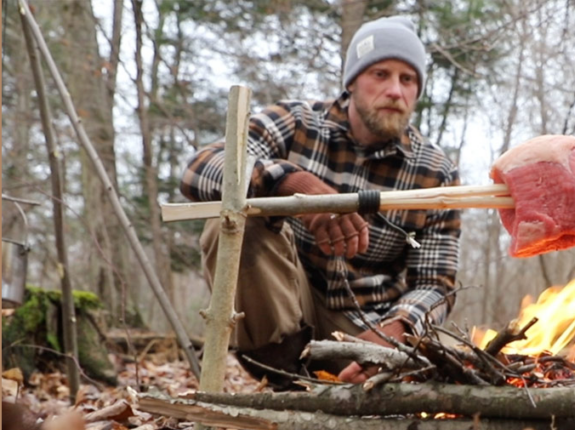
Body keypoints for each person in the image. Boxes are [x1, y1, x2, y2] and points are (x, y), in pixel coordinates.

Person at [180, 16, 461, 388]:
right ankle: (286, 380)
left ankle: (357, 380)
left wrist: (396, 330)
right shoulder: (296, 122)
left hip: (367, 329)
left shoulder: (436, 171)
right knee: (232, 218)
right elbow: (201, 168)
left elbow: (437, 283)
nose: (395, 90)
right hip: (285, 313)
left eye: (407, 79)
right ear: (352, 82)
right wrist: (297, 188)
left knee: (429, 365)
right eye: (380, 74)